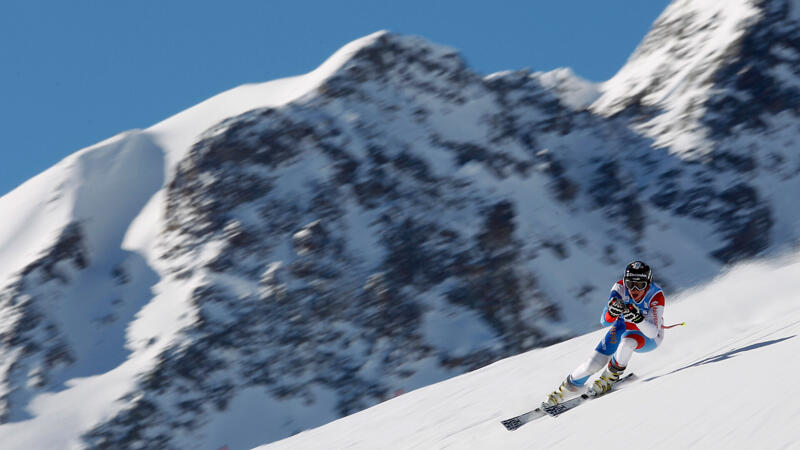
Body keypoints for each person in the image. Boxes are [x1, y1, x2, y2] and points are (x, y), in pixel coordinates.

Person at [544, 260, 666, 405]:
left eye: (639, 285)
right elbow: (604, 320)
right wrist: (612, 312)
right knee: (592, 364)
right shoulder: (619, 288)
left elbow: (652, 332)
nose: (634, 290)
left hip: (649, 337)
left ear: (648, 283)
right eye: (630, 284)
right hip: (623, 326)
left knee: (628, 343)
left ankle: (609, 377)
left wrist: (638, 319)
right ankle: (564, 390)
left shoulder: (656, 295)